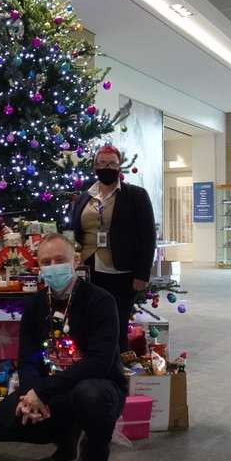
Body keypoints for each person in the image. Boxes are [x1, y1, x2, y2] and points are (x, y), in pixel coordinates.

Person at [0, 233, 127, 461]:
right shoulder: (35, 304)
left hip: (99, 386)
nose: (53, 267)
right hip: (51, 387)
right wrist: (31, 394)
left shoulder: (100, 300)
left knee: (90, 395)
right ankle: (67, 436)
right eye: (46, 262)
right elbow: (26, 358)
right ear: (38, 267)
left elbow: (99, 362)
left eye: (59, 260)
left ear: (74, 260)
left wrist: (43, 392)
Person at [71, 145, 156, 351]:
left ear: (119, 167)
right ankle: (91, 367)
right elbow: (75, 231)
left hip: (121, 271)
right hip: (89, 270)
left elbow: (148, 236)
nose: (105, 167)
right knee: (89, 322)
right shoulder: (85, 197)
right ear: (94, 166)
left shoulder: (136, 196)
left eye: (111, 164)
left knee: (117, 324)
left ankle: (116, 372)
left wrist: (142, 274)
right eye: (101, 163)